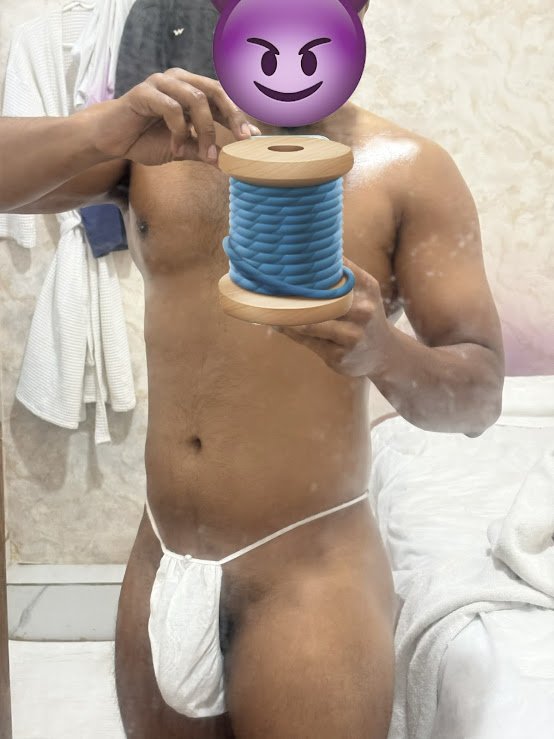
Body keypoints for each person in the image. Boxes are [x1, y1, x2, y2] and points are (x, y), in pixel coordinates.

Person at [2, 1, 504, 736]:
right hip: (160, 554)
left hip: (311, 575)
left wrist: (384, 353)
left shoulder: (408, 171)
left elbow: (480, 398)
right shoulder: (155, 146)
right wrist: (99, 128)